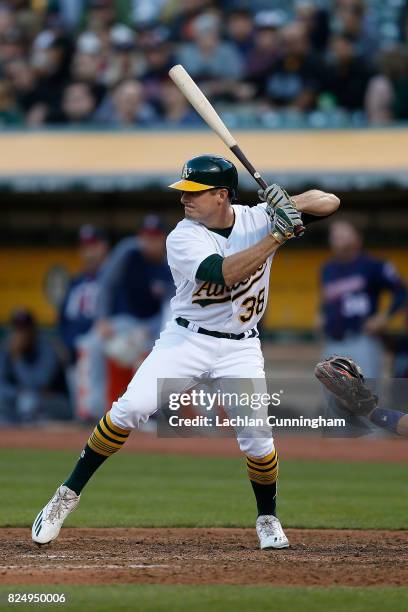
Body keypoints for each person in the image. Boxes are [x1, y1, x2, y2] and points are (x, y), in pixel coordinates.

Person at [32, 154, 340, 550]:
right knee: (129, 410)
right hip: (186, 341)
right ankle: (65, 496)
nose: (185, 200)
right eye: (184, 192)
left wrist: (286, 201)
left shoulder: (257, 216)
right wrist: (279, 235)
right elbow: (227, 273)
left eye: (195, 192)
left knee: (258, 439)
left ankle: (267, 518)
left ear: (222, 195)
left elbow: (329, 201)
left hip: (240, 347)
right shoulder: (182, 236)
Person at [74, 214, 173, 420]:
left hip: (154, 327)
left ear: (163, 239)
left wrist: (155, 333)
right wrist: (101, 319)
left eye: (155, 237)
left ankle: (154, 415)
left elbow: (171, 308)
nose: (149, 242)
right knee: (90, 344)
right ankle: (91, 412)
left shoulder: (172, 261)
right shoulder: (129, 251)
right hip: (123, 322)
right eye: (146, 237)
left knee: (163, 356)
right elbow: (106, 284)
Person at [319, 221, 407, 380]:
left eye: (343, 234)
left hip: (362, 339)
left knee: (365, 394)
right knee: (332, 397)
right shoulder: (327, 268)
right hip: (333, 341)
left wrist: (385, 317)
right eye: (334, 235)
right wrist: (322, 314)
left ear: (357, 238)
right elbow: (327, 299)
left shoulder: (374, 265)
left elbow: (401, 292)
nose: (336, 239)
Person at [0, 309, 70, 424]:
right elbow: (2, 384)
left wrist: (18, 357)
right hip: (22, 400)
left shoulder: (46, 349)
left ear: (33, 330)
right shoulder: (7, 349)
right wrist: (17, 392)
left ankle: (34, 436)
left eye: (24, 329)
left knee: (28, 401)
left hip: (56, 402)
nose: (20, 334)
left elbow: (36, 384)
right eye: (17, 329)